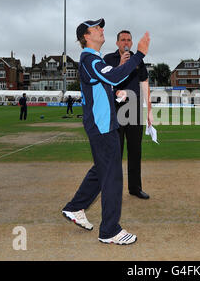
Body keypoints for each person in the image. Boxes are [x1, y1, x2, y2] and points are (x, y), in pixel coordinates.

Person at [61, 18, 150, 245]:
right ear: (86, 37)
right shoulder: (89, 58)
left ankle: (76, 207)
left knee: (102, 169)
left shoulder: (94, 59)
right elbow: (114, 76)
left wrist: (113, 95)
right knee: (112, 176)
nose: (101, 30)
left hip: (103, 124)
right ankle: (109, 230)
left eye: (101, 27)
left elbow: (101, 88)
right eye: (96, 28)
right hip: (101, 126)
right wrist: (139, 54)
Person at [104, 30, 153, 200]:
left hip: (135, 110)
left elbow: (145, 84)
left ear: (132, 43)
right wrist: (120, 66)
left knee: (135, 150)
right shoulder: (108, 59)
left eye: (129, 40)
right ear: (117, 42)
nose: (126, 42)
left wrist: (150, 111)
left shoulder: (138, 60)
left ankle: (135, 188)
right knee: (115, 152)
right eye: (123, 39)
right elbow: (104, 83)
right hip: (116, 110)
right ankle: (113, 188)